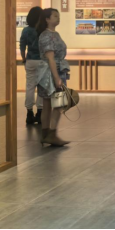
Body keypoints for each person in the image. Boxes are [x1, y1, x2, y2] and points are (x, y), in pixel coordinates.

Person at [36, 8, 70, 147]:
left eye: (58, 15)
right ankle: (51, 133)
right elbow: (50, 58)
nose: (58, 18)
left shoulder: (54, 34)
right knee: (59, 103)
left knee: (47, 104)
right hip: (51, 73)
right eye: (55, 16)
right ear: (47, 19)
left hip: (51, 72)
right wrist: (57, 78)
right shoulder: (46, 35)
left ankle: (46, 134)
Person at [20, 6, 44, 126]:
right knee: (41, 87)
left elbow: (22, 46)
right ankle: (39, 113)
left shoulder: (26, 30)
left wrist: (24, 59)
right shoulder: (43, 30)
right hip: (42, 61)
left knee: (30, 86)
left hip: (30, 60)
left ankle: (29, 113)